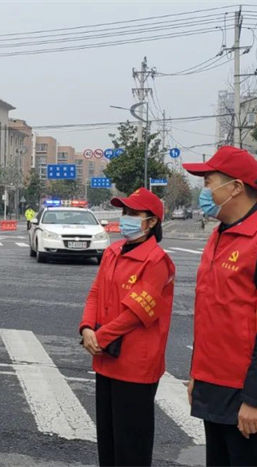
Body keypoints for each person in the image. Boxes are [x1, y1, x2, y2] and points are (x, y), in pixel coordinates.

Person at [182, 146, 257, 467]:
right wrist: (197, 375)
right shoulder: (220, 236)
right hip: (214, 387)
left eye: (209, 182)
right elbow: (211, 315)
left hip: (246, 397)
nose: (204, 191)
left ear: (235, 187)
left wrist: (256, 399)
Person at [79, 187, 176, 467]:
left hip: (136, 365)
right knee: (108, 440)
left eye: (133, 213)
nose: (126, 218)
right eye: (124, 212)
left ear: (152, 221)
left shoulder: (157, 261)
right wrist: (86, 328)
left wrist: (99, 336)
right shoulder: (112, 251)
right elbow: (95, 292)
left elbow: (135, 312)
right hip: (106, 358)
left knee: (131, 445)